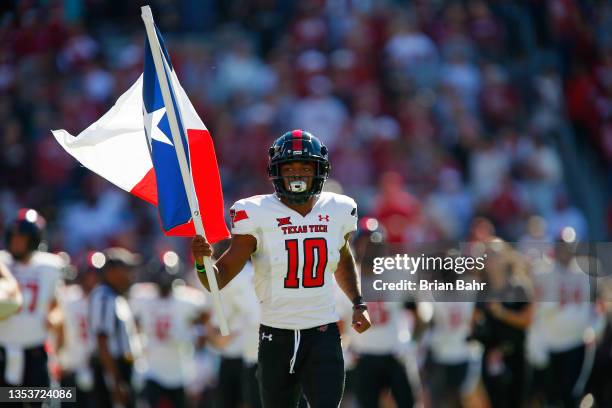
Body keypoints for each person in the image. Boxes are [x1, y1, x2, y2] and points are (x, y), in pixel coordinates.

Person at [192, 130, 371, 408]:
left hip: (322, 332)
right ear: (276, 172)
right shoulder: (255, 212)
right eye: (289, 168)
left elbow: (343, 255)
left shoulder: (339, 209)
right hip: (276, 334)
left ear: (319, 171)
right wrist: (202, 264)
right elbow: (220, 277)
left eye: (305, 167)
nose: (297, 174)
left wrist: (358, 302)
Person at [130, 253, 208, 408]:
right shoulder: (142, 296)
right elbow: (133, 322)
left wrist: (196, 335)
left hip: (179, 370)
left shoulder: (188, 299)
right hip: (151, 369)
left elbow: (205, 318)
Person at [0, 208, 64, 393]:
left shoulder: (49, 266)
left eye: (23, 237)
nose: (17, 241)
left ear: (35, 239)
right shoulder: (2, 262)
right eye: (14, 236)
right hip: (3, 349)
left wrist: (54, 319)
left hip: (34, 349)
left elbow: (56, 307)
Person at [89, 247, 140, 408]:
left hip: (120, 368)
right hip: (113, 369)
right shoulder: (104, 297)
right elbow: (103, 342)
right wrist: (115, 382)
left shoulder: (114, 296)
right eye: (126, 269)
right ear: (112, 272)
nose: (130, 274)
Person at [56, 255, 99, 406]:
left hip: (95, 367)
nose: (93, 279)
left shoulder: (103, 299)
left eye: (96, 275)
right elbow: (58, 329)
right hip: (70, 367)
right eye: (90, 274)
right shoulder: (68, 297)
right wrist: (59, 360)